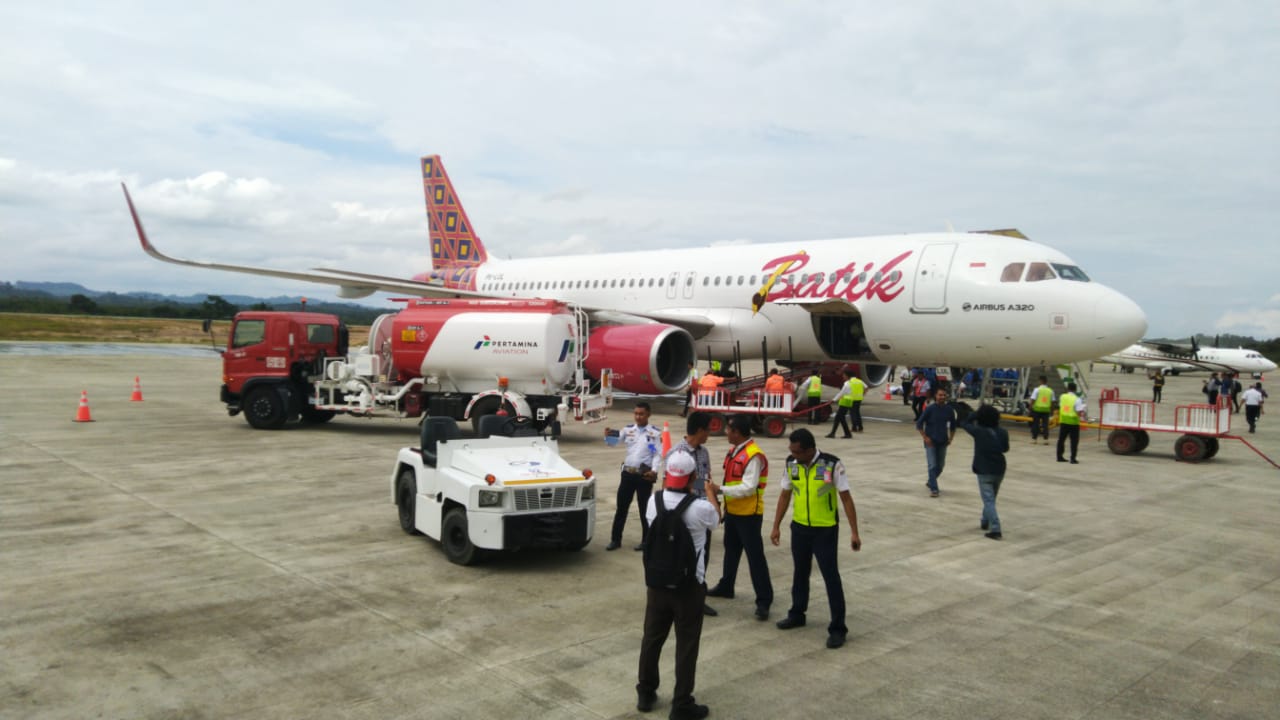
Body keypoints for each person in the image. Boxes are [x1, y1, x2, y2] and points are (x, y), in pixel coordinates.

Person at [636, 450, 719, 720]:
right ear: (693, 477)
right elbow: (716, 521)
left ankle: (646, 693)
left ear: (668, 475)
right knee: (686, 645)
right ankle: (681, 703)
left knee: (652, 638)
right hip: (689, 587)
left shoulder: (653, 502)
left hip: (657, 584)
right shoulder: (700, 508)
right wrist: (710, 494)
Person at [770, 428, 861, 649]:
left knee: (831, 577)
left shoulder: (831, 464)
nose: (794, 455)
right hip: (800, 528)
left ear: (810, 450)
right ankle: (797, 613)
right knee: (800, 573)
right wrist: (776, 526)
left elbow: (846, 498)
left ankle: (838, 628)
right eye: (791, 451)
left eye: (797, 452)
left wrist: (854, 532)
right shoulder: (792, 464)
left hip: (825, 530)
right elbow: (785, 495)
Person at [705, 415, 773, 621]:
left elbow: (748, 487)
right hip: (733, 512)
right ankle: (727, 585)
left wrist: (719, 489)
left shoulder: (753, 455)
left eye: (728, 430)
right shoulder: (735, 451)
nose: (725, 433)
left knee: (755, 557)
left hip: (749, 515)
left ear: (737, 433)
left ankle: (764, 600)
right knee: (731, 551)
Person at [664, 412, 722, 617]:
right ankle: (678, 597)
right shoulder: (676, 453)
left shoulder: (703, 452)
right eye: (708, 430)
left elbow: (705, 478)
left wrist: (713, 493)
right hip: (683, 514)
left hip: (701, 512)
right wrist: (705, 488)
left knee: (701, 557)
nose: (709, 434)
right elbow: (670, 484)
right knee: (681, 558)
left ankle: (698, 598)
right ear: (699, 430)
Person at [604, 402, 662, 551]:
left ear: (648, 414)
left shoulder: (654, 433)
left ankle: (646, 541)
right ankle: (615, 540)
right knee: (621, 508)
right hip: (628, 474)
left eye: (641, 414)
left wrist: (654, 470)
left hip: (644, 476)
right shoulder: (628, 430)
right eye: (636, 413)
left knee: (644, 509)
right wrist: (608, 436)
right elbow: (613, 443)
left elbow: (656, 454)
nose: (638, 416)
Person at [961, 404, 1009, 540]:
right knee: (991, 498)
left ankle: (996, 528)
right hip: (999, 468)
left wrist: (974, 414)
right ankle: (984, 520)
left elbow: (964, 423)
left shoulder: (978, 431)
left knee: (988, 499)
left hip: (983, 469)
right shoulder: (1003, 432)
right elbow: (1005, 449)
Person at [915, 387, 957, 497]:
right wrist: (925, 437)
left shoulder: (949, 410)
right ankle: (934, 489)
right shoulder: (930, 409)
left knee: (941, 465)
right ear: (935, 396)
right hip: (931, 442)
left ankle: (930, 481)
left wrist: (950, 438)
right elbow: (919, 424)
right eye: (940, 395)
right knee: (932, 465)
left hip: (943, 441)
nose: (942, 397)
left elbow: (953, 426)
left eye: (944, 395)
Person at [1056, 382, 1086, 464]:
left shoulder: (1062, 397)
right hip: (1073, 423)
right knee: (1074, 442)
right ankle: (1073, 458)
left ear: (1067, 388)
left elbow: (1061, 406)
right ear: (1075, 389)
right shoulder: (1077, 399)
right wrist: (1082, 417)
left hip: (1063, 421)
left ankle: (1059, 456)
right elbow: (1079, 412)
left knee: (1061, 440)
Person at [825, 368, 856, 439]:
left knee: (839, 418)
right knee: (840, 418)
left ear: (847, 376)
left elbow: (841, 393)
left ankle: (835, 433)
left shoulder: (847, 384)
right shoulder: (852, 383)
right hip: (849, 401)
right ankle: (844, 433)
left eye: (844, 375)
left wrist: (833, 400)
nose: (843, 376)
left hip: (844, 402)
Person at [1029, 375, 1055, 444]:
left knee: (1035, 424)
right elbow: (1053, 402)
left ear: (1041, 381)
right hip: (1046, 410)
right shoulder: (1050, 391)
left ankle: (1034, 439)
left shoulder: (1037, 389)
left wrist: (1030, 407)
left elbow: (1033, 400)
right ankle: (1045, 439)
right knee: (1045, 425)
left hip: (1037, 409)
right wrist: (1052, 411)